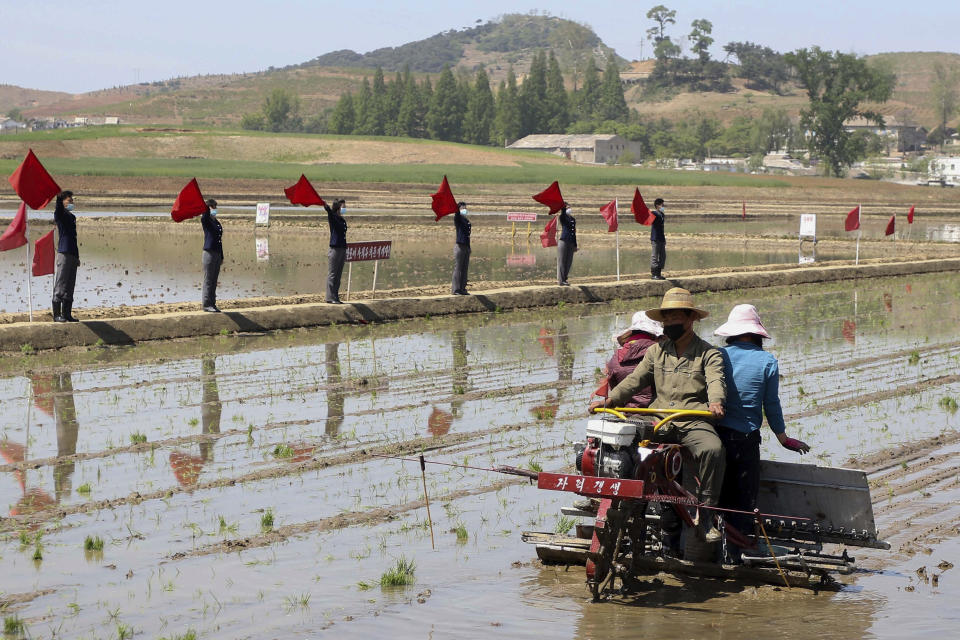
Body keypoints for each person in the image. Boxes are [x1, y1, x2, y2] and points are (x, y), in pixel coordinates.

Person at [590, 287, 726, 542]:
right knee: (621, 435)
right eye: (667, 319)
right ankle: (616, 499)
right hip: (658, 419)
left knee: (713, 450)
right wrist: (609, 400)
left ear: (690, 319)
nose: (670, 323)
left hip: (692, 419)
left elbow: (716, 380)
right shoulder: (656, 351)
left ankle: (706, 514)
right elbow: (635, 381)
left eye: (676, 318)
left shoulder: (709, 353)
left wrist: (716, 401)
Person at [714, 304, 810, 557]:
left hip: (714, 436)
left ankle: (715, 547)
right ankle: (737, 552)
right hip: (744, 440)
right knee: (743, 498)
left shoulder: (717, 356)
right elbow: (771, 404)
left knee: (718, 494)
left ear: (731, 333)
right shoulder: (767, 361)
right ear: (757, 334)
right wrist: (783, 438)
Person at [603, 311, 663, 408]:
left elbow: (615, 392)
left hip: (627, 415)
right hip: (658, 415)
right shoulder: (660, 353)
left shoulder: (614, 359)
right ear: (654, 335)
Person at [52, 190, 79, 322]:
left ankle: (67, 314)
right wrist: (58, 197)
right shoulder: (60, 214)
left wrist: (77, 257)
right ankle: (57, 315)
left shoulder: (72, 217)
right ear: (62, 202)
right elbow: (57, 209)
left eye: (72, 200)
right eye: (69, 200)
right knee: (61, 283)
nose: (71, 202)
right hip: (64, 252)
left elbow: (74, 238)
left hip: (73, 253)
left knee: (70, 284)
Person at [201, 199, 223, 312]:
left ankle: (212, 304)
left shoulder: (216, 222)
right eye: (213, 207)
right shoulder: (206, 220)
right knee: (208, 280)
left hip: (217, 253)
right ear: (208, 208)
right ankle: (206, 304)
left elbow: (219, 240)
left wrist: (222, 256)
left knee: (214, 280)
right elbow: (204, 215)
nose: (215, 209)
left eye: (215, 207)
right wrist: (206, 208)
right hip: (209, 253)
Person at [325, 198, 347, 304]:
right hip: (335, 249)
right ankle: (330, 297)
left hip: (342, 249)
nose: (345, 208)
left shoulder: (342, 220)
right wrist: (327, 208)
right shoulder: (333, 218)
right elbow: (330, 213)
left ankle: (336, 296)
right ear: (338, 208)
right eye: (343, 207)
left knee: (338, 275)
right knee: (332, 274)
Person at [452, 201, 471, 295]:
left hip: (466, 246)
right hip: (459, 246)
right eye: (462, 208)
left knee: (465, 268)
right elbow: (456, 214)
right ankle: (456, 290)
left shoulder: (466, 220)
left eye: (465, 208)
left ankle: (463, 289)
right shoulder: (458, 218)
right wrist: (457, 209)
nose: (464, 209)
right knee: (458, 268)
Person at [557, 203, 576, 286]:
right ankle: (561, 281)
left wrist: (575, 245)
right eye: (568, 208)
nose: (569, 209)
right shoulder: (563, 217)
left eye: (570, 207)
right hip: (563, 241)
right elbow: (563, 215)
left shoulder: (572, 219)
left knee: (568, 262)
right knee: (562, 261)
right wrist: (563, 208)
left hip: (571, 242)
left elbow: (573, 233)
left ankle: (565, 278)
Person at [650, 197, 666, 280]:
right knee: (655, 256)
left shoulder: (662, 215)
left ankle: (659, 273)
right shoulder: (654, 214)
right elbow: (650, 215)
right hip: (655, 238)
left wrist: (664, 239)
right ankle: (654, 274)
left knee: (663, 256)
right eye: (662, 205)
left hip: (661, 238)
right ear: (657, 205)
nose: (663, 206)